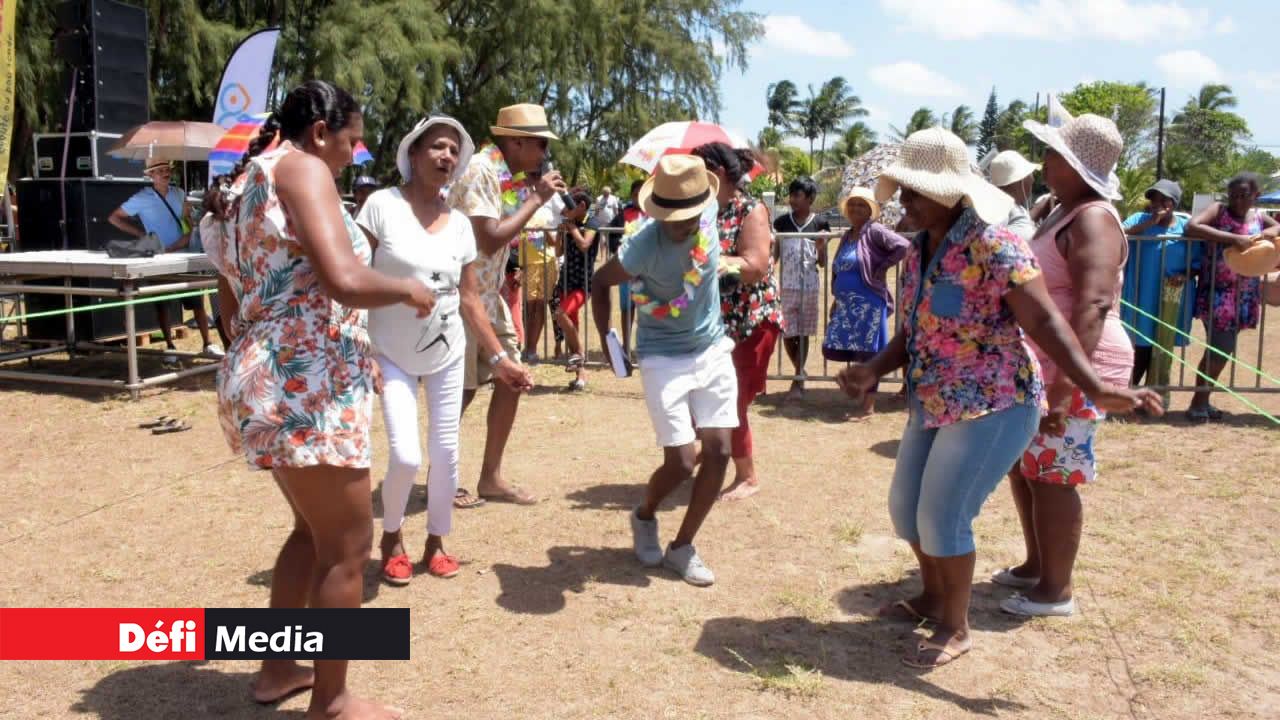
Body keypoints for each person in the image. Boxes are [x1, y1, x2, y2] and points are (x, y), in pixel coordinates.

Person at [834, 127, 1161, 668]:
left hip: (995, 401)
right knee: (906, 511)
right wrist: (872, 368)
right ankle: (933, 596)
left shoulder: (995, 244)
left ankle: (954, 626)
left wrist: (1094, 386)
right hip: (934, 398)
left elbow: (1046, 320)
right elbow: (915, 329)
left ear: (948, 194)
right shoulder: (917, 251)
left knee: (943, 515)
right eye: (903, 190)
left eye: (914, 192)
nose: (903, 201)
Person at [207, 80, 428, 720]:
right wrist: (406, 289)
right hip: (304, 381)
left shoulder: (249, 181)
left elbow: (232, 300)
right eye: (351, 141)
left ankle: (280, 668)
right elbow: (344, 278)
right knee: (350, 546)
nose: (353, 155)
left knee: (312, 533)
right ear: (321, 131)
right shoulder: (302, 168)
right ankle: (332, 702)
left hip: (272, 375)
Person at [357, 117, 534, 586]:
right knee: (406, 456)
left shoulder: (458, 224)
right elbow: (352, 276)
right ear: (413, 154)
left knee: (447, 452)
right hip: (390, 351)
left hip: (447, 351)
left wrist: (500, 359)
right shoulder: (380, 207)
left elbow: (470, 299)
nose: (447, 157)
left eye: (454, 151)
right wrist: (361, 345)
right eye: (437, 147)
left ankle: (437, 540)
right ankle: (392, 538)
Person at [995, 113, 1138, 618]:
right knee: (1027, 467)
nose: (1045, 162)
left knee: (1054, 473)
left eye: (1054, 153)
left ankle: (1056, 590)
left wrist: (1062, 388)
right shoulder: (1064, 212)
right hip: (1047, 363)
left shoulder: (1093, 219)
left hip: (1074, 365)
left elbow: (1093, 304)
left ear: (1077, 166)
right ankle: (1037, 566)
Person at [590, 154, 736, 586]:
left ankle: (683, 547)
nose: (685, 224)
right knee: (682, 461)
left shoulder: (708, 214)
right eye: (675, 218)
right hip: (662, 355)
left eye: (691, 215)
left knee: (719, 451)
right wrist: (608, 341)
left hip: (711, 347)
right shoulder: (642, 246)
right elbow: (600, 282)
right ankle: (645, 514)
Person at [447, 103, 566, 506]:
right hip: (462, 298)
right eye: (540, 144)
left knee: (511, 376)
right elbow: (489, 238)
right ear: (515, 142)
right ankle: (444, 477)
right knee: (460, 392)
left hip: (487, 295)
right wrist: (537, 199)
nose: (544, 153)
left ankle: (491, 478)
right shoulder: (481, 169)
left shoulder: (502, 177)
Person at [692, 142, 781, 502]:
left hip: (752, 321)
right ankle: (712, 448)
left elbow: (755, 265)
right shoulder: (703, 211)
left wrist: (711, 263)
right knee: (708, 394)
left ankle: (747, 476)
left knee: (732, 400)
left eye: (697, 170)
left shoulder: (750, 209)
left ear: (718, 173)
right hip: (718, 325)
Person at [1184, 172, 1280, 421]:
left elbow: (1278, 226)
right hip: (1218, 293)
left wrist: (1270, 233)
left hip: (1245, 294)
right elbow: (1192, 226)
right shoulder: (1219, 211)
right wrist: (1234, 239)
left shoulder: (1258, 216)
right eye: (1233, 195)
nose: (1237, 200)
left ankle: (1203, 401)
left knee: (1221, 350)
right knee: (1221, 348)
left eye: (1243, 195)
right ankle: (1197, 403)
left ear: (1255, 195)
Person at [109, 158, 223, 367]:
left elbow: (187, 222)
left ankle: (207, 343)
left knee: (196, 301)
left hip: (183, 253)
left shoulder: (179, 193)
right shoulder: (142, 197)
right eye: (160, 170)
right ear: (150, 175)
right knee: (163, 304)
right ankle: (170, 347)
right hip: (159, 257)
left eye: (167, 169)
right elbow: (114, 217)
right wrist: (142, 235)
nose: (165, 173)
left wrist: (188, 228)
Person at [822, 187, 910, 417]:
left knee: (871, 351)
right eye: (852, 204)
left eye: (862, 204)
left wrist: (881, 267)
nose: (856, 208)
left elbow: (903, 246)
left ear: (870, 210)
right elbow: (839, 268)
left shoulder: (874, 230)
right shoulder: (847, 235)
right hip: (847, 303)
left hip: (869, 303)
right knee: (849, 349)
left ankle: (868, 405)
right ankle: (858, 389)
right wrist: (836, 298)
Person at [1120, 180, 1195, 389]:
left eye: (1164, 199)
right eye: (1154, 199)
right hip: (1141, 296)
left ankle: (1152, 394)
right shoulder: (1139, 219)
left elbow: (1198, 263)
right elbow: (1120, 234)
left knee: (1162, 348)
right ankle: (1129, 392)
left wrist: (1184, 275)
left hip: (1170, 298)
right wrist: (1150, 223)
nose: (1157, 203)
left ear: (1174, 202)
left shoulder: (1186, 227)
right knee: (1139, 347)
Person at [773, 176, 830, 400]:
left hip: (809, 287)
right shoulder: (781, 223)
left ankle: (797, 378)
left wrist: (821, 247)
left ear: (810, 198)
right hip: (787, 285)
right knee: (787, 331)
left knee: (803, 331)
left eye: (798, 195)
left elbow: (822, 262)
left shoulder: (820, 223)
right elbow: (775, 255)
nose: (792, 200)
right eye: (791, 195)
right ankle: (799, 371)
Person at [555, 187, 602, 391]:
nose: (565, 211)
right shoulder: (569, 223)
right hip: (566, 280)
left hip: (583, 283)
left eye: (569, 207)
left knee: (561, 314)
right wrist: (560, 231)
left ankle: (579, 356)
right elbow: (558, 252)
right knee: (571, 325)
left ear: (582, 206)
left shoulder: (592, 222)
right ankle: (580, 375)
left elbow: (584, 244)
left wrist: (572, 228)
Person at [594, 180, 644, 358]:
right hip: (627, 269)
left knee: (647, 309)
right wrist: (619, 247)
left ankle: (644, 345)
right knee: (627, 308)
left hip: (648, 270)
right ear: (631, 196)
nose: (638, 198)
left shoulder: (654, 213)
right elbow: (612, 233)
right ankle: (626, 346)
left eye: (642, 193)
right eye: (635, 194)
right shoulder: (624, 213)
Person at [518, 186, 565, 363]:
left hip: (546, 263)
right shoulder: (518, 216)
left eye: (528, 192)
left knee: (539, 307)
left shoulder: (543, 215)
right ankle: (528, 346)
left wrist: (555, 233)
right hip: (528, 265)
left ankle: (532, 349)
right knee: (529, 308)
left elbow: (552, 242)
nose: (525, 195)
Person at [983, 149, 1040, 241]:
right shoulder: (1001, 211)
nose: (1033, 179)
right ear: (1020, 180)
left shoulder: (1014, 208)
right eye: (1030, 174)